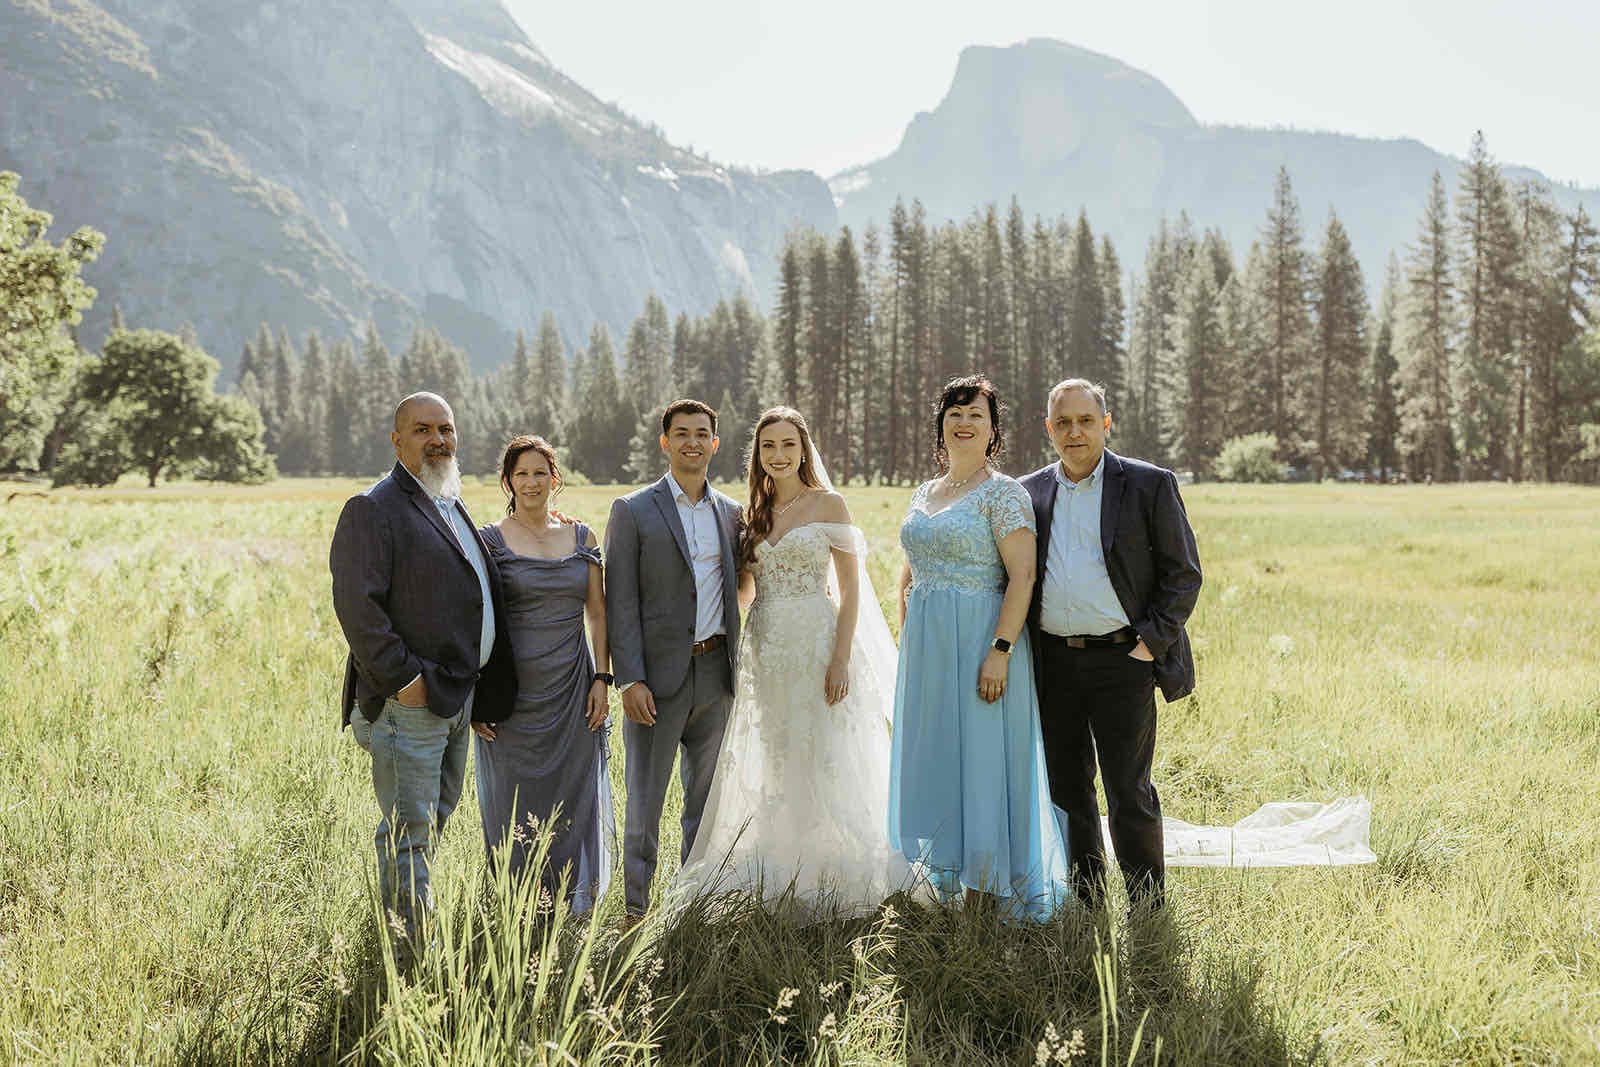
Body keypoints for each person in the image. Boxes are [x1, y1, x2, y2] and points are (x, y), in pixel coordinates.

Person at [673, 407, 909, 914]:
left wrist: (841, 659)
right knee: (777, 750)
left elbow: (850, 594)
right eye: (768, 447)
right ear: (757, 455)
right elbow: (739, 591)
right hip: (765, 648)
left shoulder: (830, 504)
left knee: (823, 747)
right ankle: (785, 856)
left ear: (804, 449)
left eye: (787, 445)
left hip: (817, 643)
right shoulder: (752, 513)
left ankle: (834, 862)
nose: (778, 455)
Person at [329, 391, 514, 955]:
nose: (438, 439)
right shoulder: (374, 508)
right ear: (397, 439)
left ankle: (407, 935)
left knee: (431, 822)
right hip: (410, 703)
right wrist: (405, 683)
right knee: (410, 829)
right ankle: (407, 951)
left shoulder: (449, 502)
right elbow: (359, 609)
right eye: (423, 429)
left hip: (455, 697)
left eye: (446, 429)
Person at [889, 375, 1070, 921]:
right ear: (940, 425)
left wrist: (1000, 650)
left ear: (993, 430)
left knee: (983, 763)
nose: (964, 423)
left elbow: (1023, 576)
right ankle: (945, 879)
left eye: (976, 415)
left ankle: (985, 894)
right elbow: (910, 569)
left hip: (980, 647)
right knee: (939, 757)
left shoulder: (1004, 493)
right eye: (954, 413)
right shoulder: (927, 491)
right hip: (928, 651)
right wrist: (906, 632)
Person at [1019, 378, 1202, 909]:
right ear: (1049, 428)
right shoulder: (1029, 492)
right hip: (1053, 661)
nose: (1074, 432)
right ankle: (1087, 901)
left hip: (1125, 659)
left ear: (1106, 422)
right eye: (1063, 423)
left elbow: (1183, 575)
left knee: (1130, 790)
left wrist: (1149, 644)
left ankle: (1147, 905)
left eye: (1084, 420)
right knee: (1067, 789)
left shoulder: (1148, 484)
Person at [605, 399, 742, 920]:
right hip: (654, 682)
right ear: (664, 443)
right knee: (644, 803)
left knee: (704, 806)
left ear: (715, 443)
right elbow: (620, 602)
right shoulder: (633, 510)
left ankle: (691, 906)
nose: (692, 441)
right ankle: (636, 911)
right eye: (681, 433)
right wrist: (629, 678)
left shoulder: (730, 513)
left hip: (716, 675)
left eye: (701, 433)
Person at [471, 436, 614, 914]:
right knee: (510, 799)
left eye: (540, 473)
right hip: (510, 694)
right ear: (507, 481)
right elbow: (476, 617)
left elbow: (598, 614)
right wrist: (477, 698)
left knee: (573, 793)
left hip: (574, 686)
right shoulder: (488, 539)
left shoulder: (582, 538)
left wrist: (603, 679)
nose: (531, 482)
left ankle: (572, 899)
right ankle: (518, 903)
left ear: (556, 479)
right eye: (521, 474)